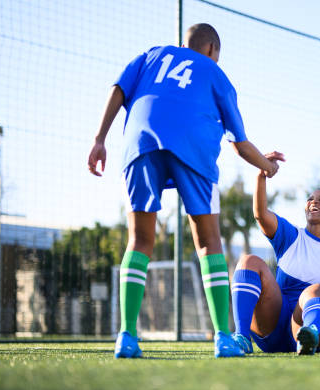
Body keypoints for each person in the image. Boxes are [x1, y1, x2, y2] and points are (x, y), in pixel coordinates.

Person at [87, 23, 283, 358]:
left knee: (139, 240)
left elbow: (118, 89)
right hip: (193, 146)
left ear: (184, 44)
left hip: (140, 141)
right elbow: (239, 143)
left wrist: (99, 139)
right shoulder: (215, 74)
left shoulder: (152, 56)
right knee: (208, 243)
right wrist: (269, 166)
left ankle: (127, 336)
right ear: (211, 50)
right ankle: (223, 337)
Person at [230, 168, 320, 355]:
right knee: (249, 261)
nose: (314, 201)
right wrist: (261, 176)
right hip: (274, 329)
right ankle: (241, 338)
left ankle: (309, 334)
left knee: (316, 290)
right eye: (311, 198)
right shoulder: (291, 237)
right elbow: (261, 214)